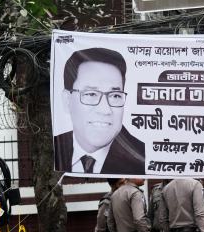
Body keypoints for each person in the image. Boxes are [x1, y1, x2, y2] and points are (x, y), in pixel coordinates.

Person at [54, 47, 145, 175]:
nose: (104, 110)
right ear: (67, 100)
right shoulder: (53, 149)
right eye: (91, 94)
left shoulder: (142, 157)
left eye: (115, 96)